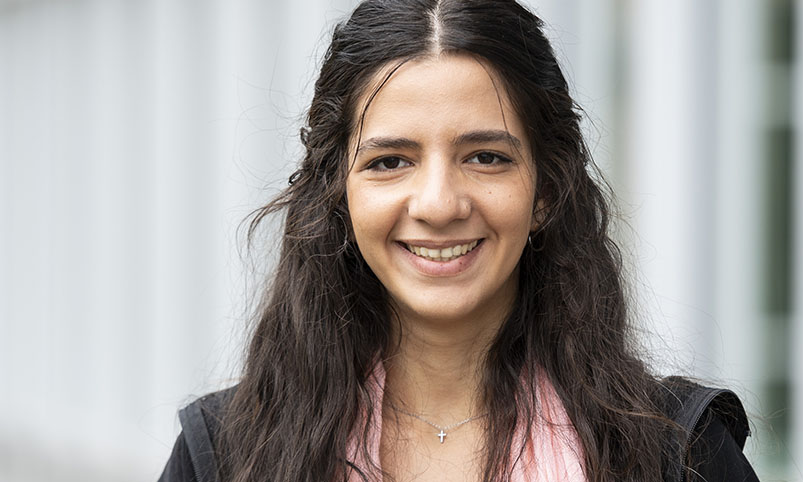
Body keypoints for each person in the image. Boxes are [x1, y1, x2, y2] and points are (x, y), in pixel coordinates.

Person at [159, 1, 760, 481]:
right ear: (339, 195)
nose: (439, 204)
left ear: (546, 190)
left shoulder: (678, 453)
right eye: (390, 162)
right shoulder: (226, 456)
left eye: (486, 157)